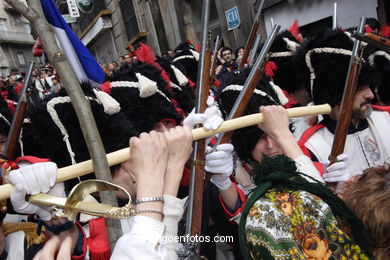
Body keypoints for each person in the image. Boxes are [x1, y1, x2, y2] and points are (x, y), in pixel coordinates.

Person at [296, 29, 390, 191]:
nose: (370, 94)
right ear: (334, 95)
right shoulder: (311, 146)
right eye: (360, 88)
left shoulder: (386, 118)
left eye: (369, 86)